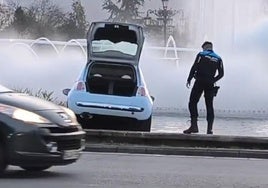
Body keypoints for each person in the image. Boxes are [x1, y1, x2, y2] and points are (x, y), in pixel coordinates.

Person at [183, 41, 224, 134]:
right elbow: (221, 74)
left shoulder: (201, 54)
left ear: (205, 47)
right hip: (210, 83)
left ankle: (194, 126)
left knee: (192, 102)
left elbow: (194, 67)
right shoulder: (218, 58)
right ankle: (210, 129)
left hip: (199, 81)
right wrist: (213, 80)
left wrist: (189, 79)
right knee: (209, 105)